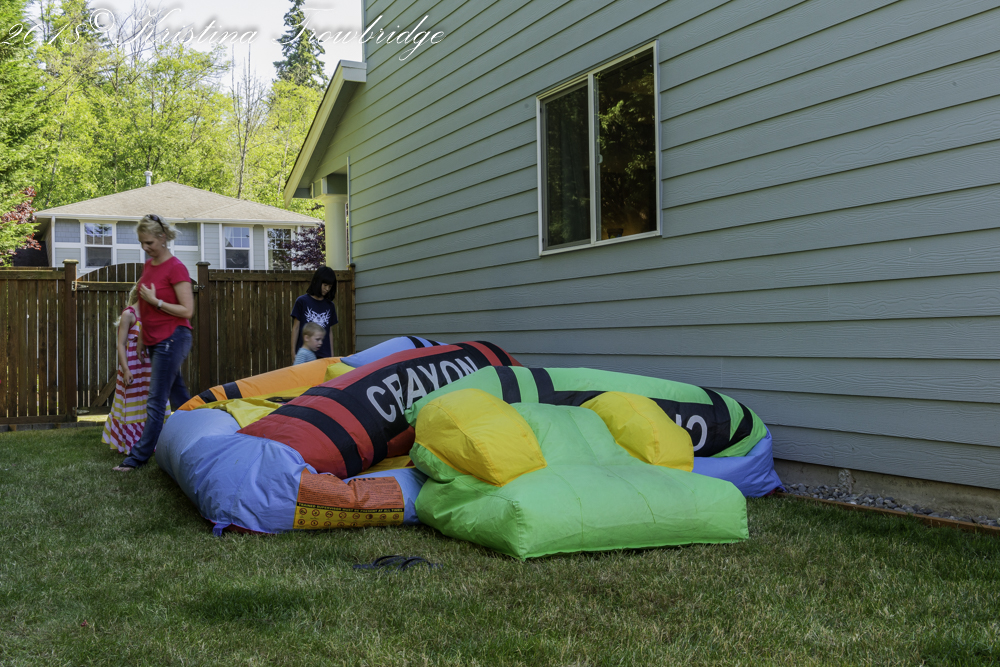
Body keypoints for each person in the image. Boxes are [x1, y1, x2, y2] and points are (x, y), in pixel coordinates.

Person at [113, 214, 194, 472]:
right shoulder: (149, 265)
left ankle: (137, 458)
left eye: (149, 242)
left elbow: (187, 310)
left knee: (156, 401)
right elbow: (145, 307)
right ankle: (200, 436)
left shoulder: (176, 268)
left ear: (162, 237)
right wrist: (142, 338)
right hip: (155, 339)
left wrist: (156, 301)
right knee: (180, 397)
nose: (145, 247)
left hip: (173, 338)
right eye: (141, 242)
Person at [101, 283, 152, 455]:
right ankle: (130, 443)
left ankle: (151, 442)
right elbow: (121, 345)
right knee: (131, 405)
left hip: (148, 369)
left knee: (148, 403)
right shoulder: (129, 314)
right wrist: (126, 369)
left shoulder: (153, 314)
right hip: (132, 368)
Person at [291, 266, 338, 363]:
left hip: (324, 356)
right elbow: (295, 328)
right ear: (317, 282)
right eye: (325, 285)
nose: (327, 289)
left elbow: (329, 331)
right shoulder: (302, 302)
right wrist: (293, 352)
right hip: (305, 357)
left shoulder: (330, 306)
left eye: (330, 286)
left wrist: (331, 355)